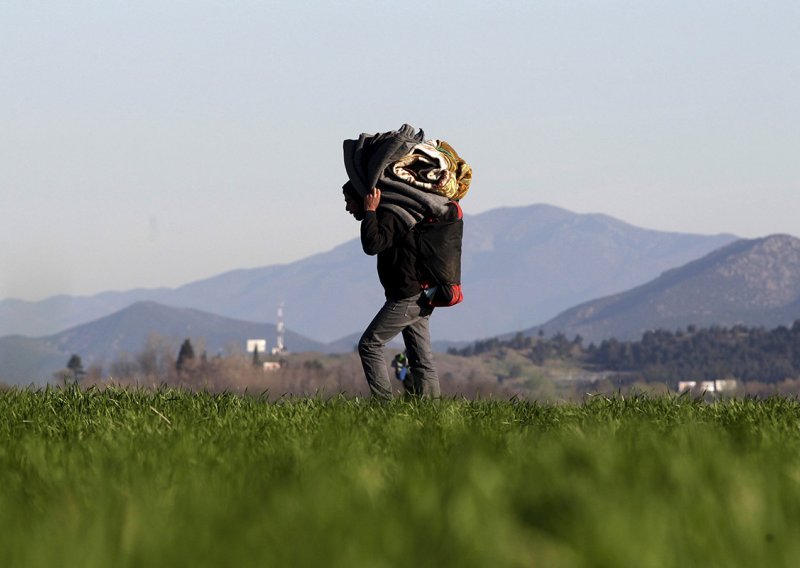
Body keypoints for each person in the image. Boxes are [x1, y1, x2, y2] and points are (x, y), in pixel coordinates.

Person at [343, 183, 441, 400]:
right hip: (421, 295)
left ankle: (384, 405)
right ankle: (433, 412)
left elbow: (372, 244)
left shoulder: (392, 216)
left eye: (349, 201)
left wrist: (370, 211)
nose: (348, 208)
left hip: (408, 296)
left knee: (369, 344)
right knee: (421, 358)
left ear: (365, 198)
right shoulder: (396, 215)